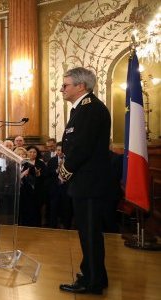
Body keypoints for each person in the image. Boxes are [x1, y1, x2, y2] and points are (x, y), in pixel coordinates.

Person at [58, 67, 111, 295]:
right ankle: (95, 275)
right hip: (85, 182)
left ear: (81, 86)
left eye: (66, 84)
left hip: (89, 183)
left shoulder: (90, 109)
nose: (62, 88)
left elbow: (82, 147)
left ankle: (92, 282)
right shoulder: (80, 109)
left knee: (89, 233)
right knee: (88, 232)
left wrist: (65, 170)